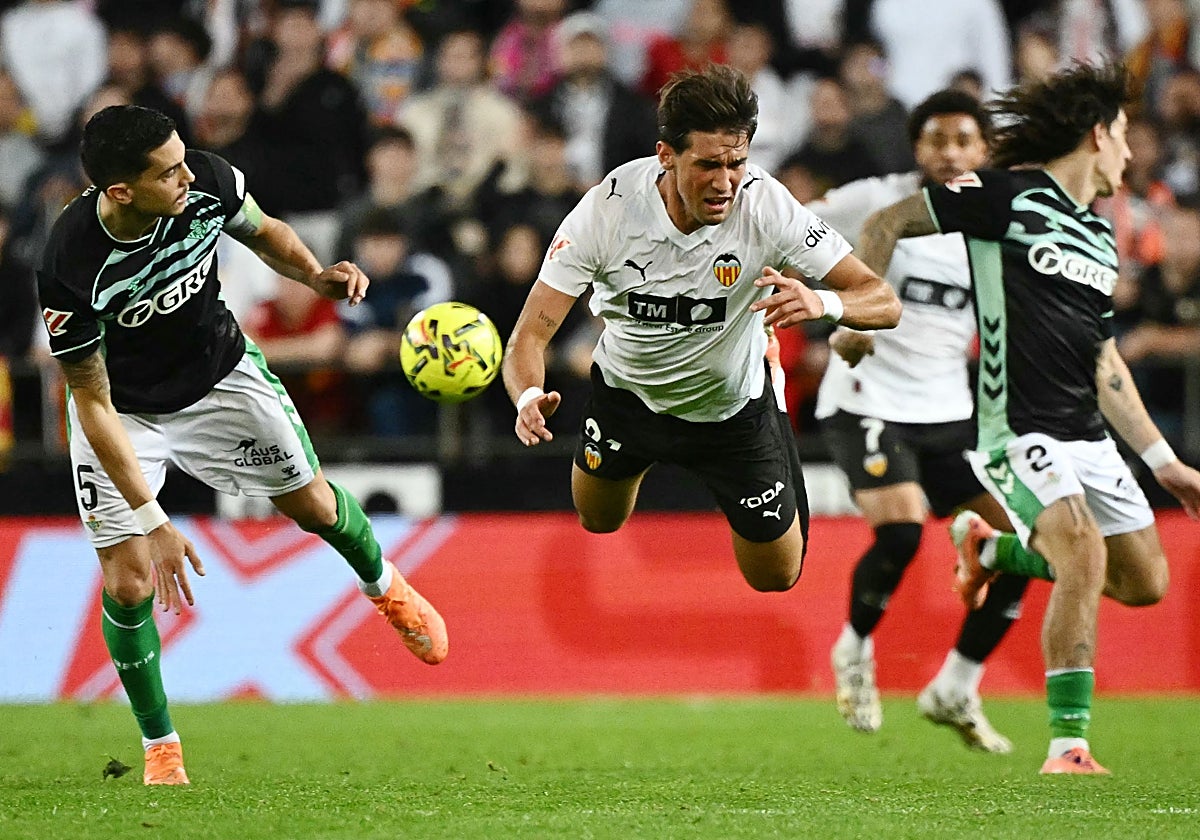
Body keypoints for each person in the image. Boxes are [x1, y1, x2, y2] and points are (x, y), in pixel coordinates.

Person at [35, 105, 447, 787]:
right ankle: (161, 747)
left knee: (313, 504)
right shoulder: (70, 264)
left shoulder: (207, 185)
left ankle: (388, 588)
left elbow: (264, 232)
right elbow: (91, 401)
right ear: (120, 192)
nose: (188, 175)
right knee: (128, 578)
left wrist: (314, 274)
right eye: (169, 171)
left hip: (220, 377)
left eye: (185, 158)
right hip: (124, 412)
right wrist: (153, 520)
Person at [858, 62, 1200, 775]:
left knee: (1146, 583)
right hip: (1016, 428)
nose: (1131, 154)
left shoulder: (1100, 239)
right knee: (1080, 547)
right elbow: (889, 219)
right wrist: (858, 311)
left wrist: (1163, 461)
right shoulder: (1002, 193)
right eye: (1126, 137)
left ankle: (990, 552)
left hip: (1088, 434)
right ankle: (1068, 745)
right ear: (1098, 133)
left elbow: (1105, 363)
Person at [502, 64, 900, 598]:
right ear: (666, 155)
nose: (725, 182)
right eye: (708, 165)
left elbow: (883, 300)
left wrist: (821, 300)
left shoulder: (766, 205)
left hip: (731, 411)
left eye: (737, 162)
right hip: (629, 397)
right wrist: (527, 394)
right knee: (598, 520)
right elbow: (528, 337)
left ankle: (760, 411)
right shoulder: (607, 210)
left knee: (777, 577)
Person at [814, 89, 1025, 752]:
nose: (949, 152)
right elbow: (792, 228)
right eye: (936, 140)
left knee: (1024, 546)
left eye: (964, 140)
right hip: (866, 399)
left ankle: (957, 685)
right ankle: (853, 651)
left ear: (986, 150)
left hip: (949, 414)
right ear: (917, 148)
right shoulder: (872, 200)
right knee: (902, 533)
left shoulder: (997, 219)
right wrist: (830, 308)